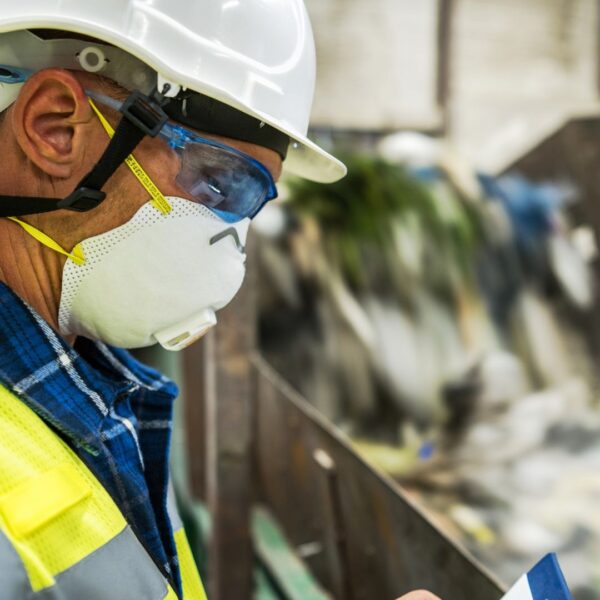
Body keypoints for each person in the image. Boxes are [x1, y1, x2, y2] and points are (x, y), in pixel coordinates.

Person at [0, 2, 439, 599]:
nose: (230, 249)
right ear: (56, 128)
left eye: (251, 203)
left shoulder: (94, 397)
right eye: (217, 181)